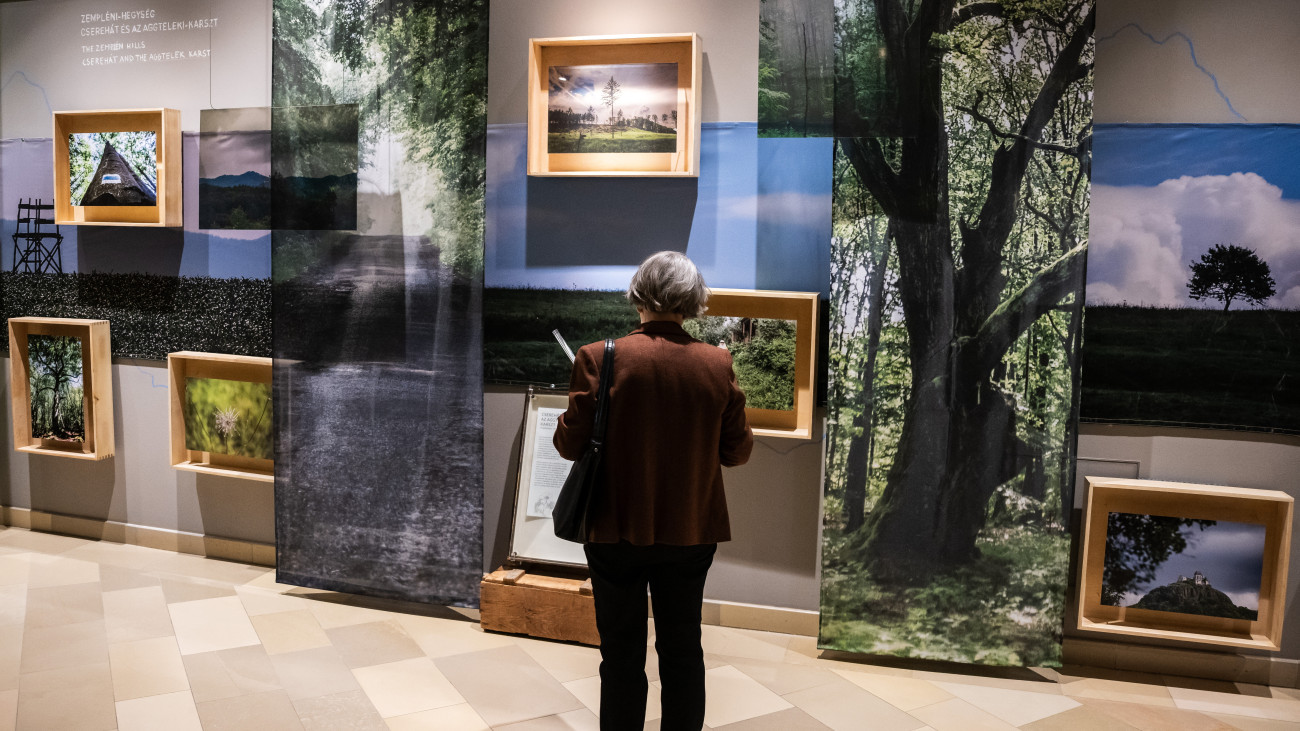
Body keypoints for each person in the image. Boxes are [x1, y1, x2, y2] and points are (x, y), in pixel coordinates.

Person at [554, 251, 753, 730]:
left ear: (639, 294)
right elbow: (736, 452)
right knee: (683, 647)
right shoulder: (716, 362)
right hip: (690, 528)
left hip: (613, 528)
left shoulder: (598, 357)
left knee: (620, 652)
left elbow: (567, 444)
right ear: (692, 300)